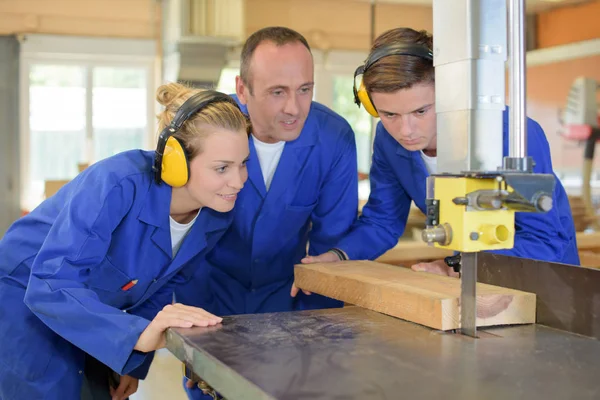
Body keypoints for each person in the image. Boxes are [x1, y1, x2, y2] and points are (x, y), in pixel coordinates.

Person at [0, 83, 250, 399]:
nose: (239, 181)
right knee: (50, 387)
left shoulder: (215, 214)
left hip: (91, 301)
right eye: (222, 168)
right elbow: (50, 282)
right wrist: (136, 337)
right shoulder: (116, 183)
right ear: (176, 162)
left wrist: (132, 362)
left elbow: (159, 286)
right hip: (26, 293)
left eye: (243, 163)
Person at [303, 27, 580, 273]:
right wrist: (339, 255)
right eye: (389, 115)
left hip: (544, 282)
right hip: (470, 281)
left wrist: (456, 266)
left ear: (449, 92)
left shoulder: (513, 135)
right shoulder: (388, 141)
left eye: (420, 111)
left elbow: (542, 241)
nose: (405, 130)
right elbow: (382, 222)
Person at [175, 26, 358, 398]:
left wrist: (316, 337)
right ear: (242, 89)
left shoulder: (333, 138)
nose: (294, 107)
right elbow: (180, 236)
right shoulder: (202, 129)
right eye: (277, 92)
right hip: (210, 297)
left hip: (289, 299)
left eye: (304, 90)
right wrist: (190, 335)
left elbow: (327, 257)